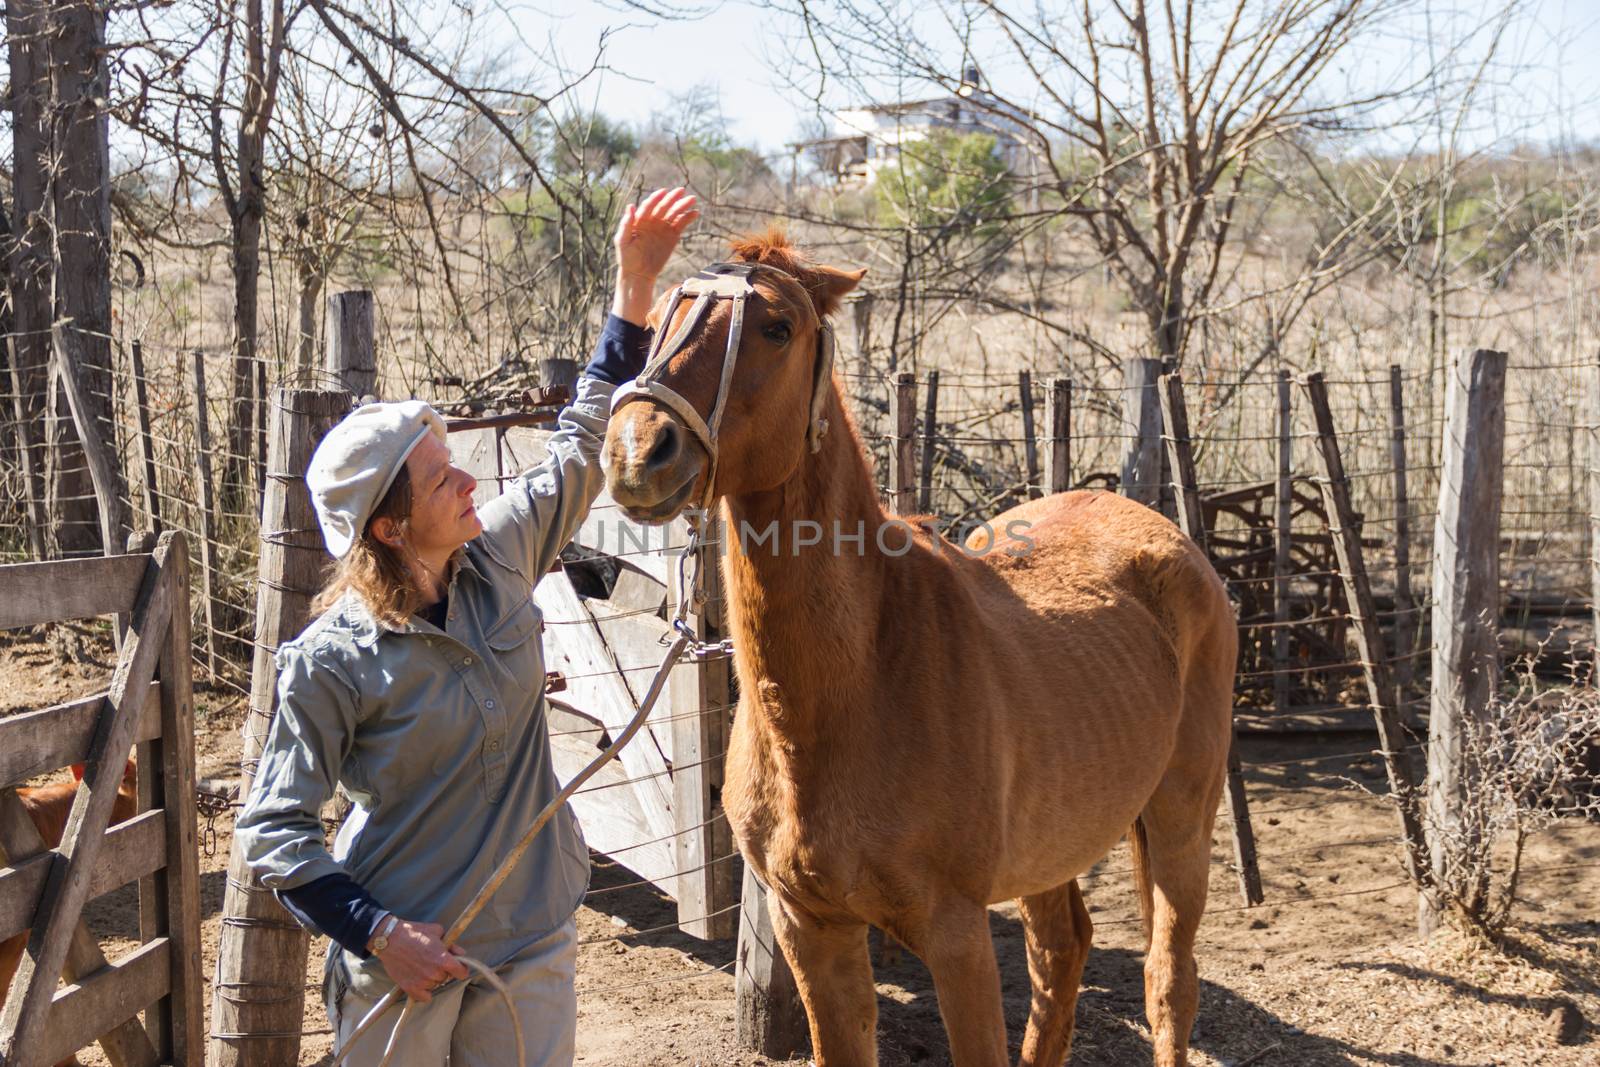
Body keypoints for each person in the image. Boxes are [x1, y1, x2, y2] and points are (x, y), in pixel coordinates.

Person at [234, 188, 699, 1066]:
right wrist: (378, 934)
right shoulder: (329, 662)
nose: (469, 483)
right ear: (388, 527)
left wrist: (632, 290)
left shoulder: (499, 555)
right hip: (408, 957)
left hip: (532, 934)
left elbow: (579, 444)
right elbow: (273, 827)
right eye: (441, 477)